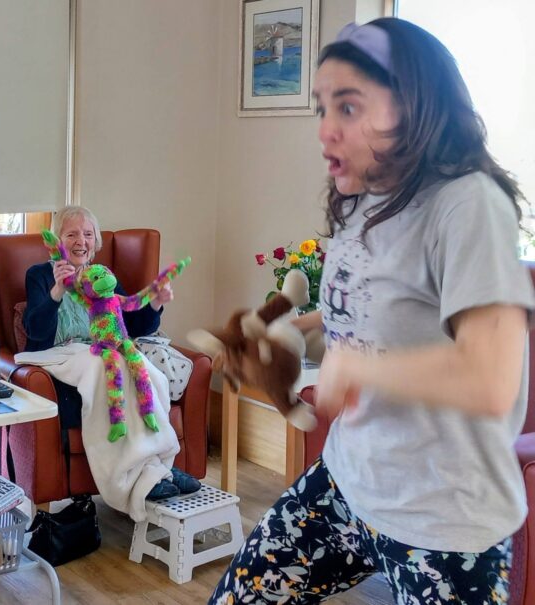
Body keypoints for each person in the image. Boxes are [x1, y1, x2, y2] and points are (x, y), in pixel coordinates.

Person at [211, 18, 533, 603]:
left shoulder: (469, 207)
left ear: (414, 107)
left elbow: (491, 378)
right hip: (347, 481)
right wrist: (287, 332)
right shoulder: (366, 200)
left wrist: (356, 368)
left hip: (444, 523)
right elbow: (367, 313)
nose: (326, 130)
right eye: (322, 108)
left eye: (350, 107)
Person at [22, 205, 199, 501]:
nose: (81, 241)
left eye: (88, 234)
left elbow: (133, 322)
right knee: (105, 366)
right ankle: (131, 480)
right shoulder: (39, 275)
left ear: (96, 242)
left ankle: (160, 467)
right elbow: (36, 331)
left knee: (147, 372)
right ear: (58, 240)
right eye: (72, 234)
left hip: (100, 352)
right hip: (57, 356)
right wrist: (57, 290)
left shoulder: (102, 277)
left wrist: (155, 302)